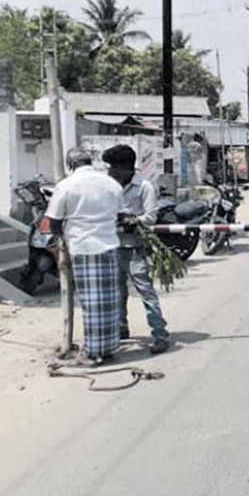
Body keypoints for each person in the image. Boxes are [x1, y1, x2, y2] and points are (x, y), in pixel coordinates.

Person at [44, 147, 124, 365]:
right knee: (108, 301)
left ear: (71, 165)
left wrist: (61, 236)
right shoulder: (111, 184)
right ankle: (108, 347)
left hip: (83, 246)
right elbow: (121, 214)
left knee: (91, 302)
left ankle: (93, 352)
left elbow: (53, 221)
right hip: (109, 244)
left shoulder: (66, 185)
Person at [103, 144, 171, 354]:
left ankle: (160, 333)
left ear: (125, 168)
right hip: (113, 246)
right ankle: (121, 328)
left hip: (135, 248)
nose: (109, 172)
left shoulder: (145, 187)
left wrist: (132, 220)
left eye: (113, 167)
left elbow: (150, 217)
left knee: (145, 291)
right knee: (117, 291)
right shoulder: (108, 186)